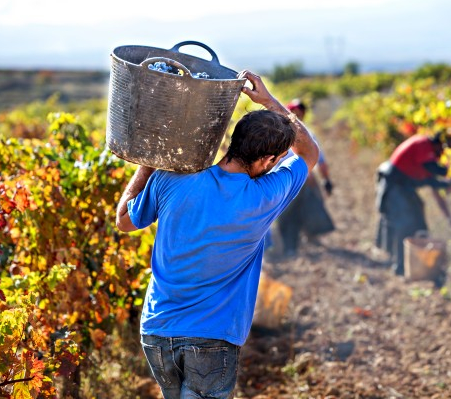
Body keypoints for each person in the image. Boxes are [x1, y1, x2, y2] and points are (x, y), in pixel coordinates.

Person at [115, 70, 319, 399]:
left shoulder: (174, 178)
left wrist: (148, 162)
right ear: (268, 160)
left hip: (156, 330)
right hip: (212, 338)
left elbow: (123, 219)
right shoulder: (264, 197)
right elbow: (309, 153)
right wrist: (268, 100)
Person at [375, 132, 451, 276]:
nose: (441, 154)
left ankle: (419, 265)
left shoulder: (428, 159)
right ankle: (400, 265)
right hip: (394, 186)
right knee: (404, 224)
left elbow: (436, 192)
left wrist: (450, 218)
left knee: (418, 221)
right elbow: (432, 168)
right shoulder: (423, 145)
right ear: (438, 144)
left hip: (403, 188)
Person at [274, 99, 335, 258]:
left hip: (300, 179)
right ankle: (290, 246)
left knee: (300, 212)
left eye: (299, 114)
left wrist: (326, 180)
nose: (296, 117)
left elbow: (319, 160)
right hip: (285, 179)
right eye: (294, 113)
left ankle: (300, 241)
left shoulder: (307, 134)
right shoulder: (277, 132)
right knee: (289, 215)